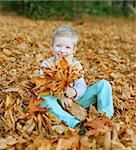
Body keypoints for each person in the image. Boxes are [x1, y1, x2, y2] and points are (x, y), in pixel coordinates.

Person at [38, 25, 114, 128]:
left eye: (67, 47)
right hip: (55, 101)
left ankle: (105, 116)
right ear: (52, 47)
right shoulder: (46, 65)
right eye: (58, 46)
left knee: (104, 84)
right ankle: (74, 123)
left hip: (76, 101)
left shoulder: (76, 66)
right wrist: (60, 97)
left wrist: (74, 92)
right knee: (43, 98)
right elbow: (43, 85)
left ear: (74, 50)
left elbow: (81, 86)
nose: (62, 50)